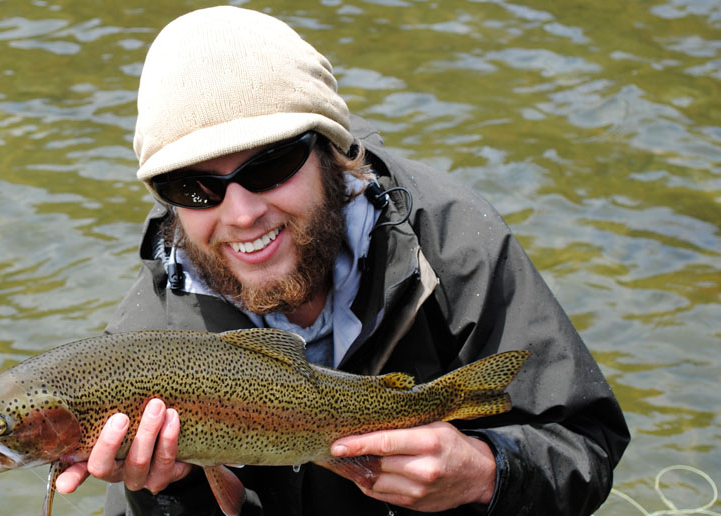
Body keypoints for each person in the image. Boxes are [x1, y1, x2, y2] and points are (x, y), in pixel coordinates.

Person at [54, 6, 629, 516]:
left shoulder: (453, 243)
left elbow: (587, 443)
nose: (242, 212)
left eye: (268, 165)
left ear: (332, 150)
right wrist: (165, 492)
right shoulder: (144, 337)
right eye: (194, 188)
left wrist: (486, 473)